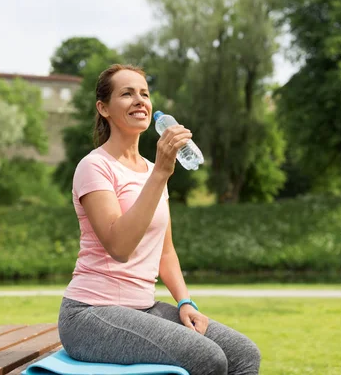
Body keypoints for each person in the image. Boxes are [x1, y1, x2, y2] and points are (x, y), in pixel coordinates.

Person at [58, 64, 261, 375]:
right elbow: (119, 247)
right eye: (127, 94)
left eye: (144, 94)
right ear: (104, 108)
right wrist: (162, 173)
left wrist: (185, 303)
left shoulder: (153, 171)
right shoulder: (95, 166)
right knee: (208, 359)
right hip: (90, 314)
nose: (140, 100)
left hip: (144, 308)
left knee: (244, 355)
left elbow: (164, 252)